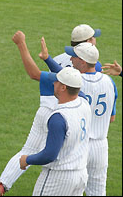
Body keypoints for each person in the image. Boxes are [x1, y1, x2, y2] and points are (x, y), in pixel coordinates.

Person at [0, 27, 104, 196]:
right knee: (69, 151)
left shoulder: (59, 59)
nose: (95, 40)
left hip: (47, 109)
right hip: (72, 111)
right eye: (93, 38)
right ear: (88, 42)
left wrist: (24, 46)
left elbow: (36, 74)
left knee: (28, 149)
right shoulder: (93, 65)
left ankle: (3, 183)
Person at [19, 66, 92, 195]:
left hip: (58, 179)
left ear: (63, 87)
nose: (54, 83)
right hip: (80, 175)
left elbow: (49, 155)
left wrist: (27, 159)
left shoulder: (58, 118)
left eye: (57, 81)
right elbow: (77, 89)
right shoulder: (84, 102)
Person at [62, 43, 117, 196]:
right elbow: (112, 118)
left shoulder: (75, 82)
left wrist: (46, 58)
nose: (71, 59)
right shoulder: (109, 82)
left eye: (74, 56)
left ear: (83, 62)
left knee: (71, 189)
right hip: (100, 147)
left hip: (79, 145)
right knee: (98, 191)